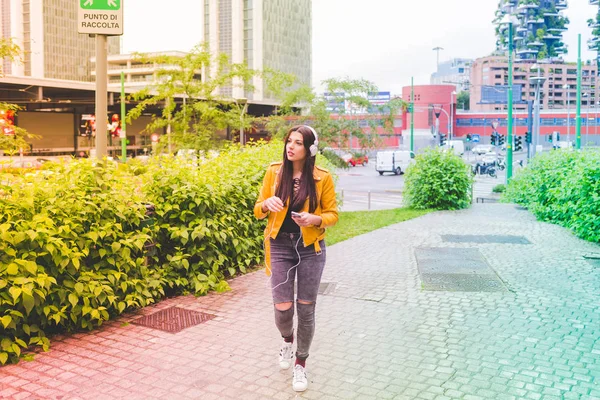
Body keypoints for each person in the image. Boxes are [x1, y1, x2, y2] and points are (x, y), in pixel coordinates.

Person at [254, 125, 338, 392]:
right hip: (279, 246)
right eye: (289, 141)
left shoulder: (321, 178)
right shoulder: (274, 172)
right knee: (282, 310)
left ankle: (300, 363)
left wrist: (314, 219)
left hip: (310, 248)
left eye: (298, 143)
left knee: (306, 309)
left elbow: (332, 215)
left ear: (309, 148)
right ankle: (287, 339)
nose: (291, 146)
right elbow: (257, 210)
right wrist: (266, 204)